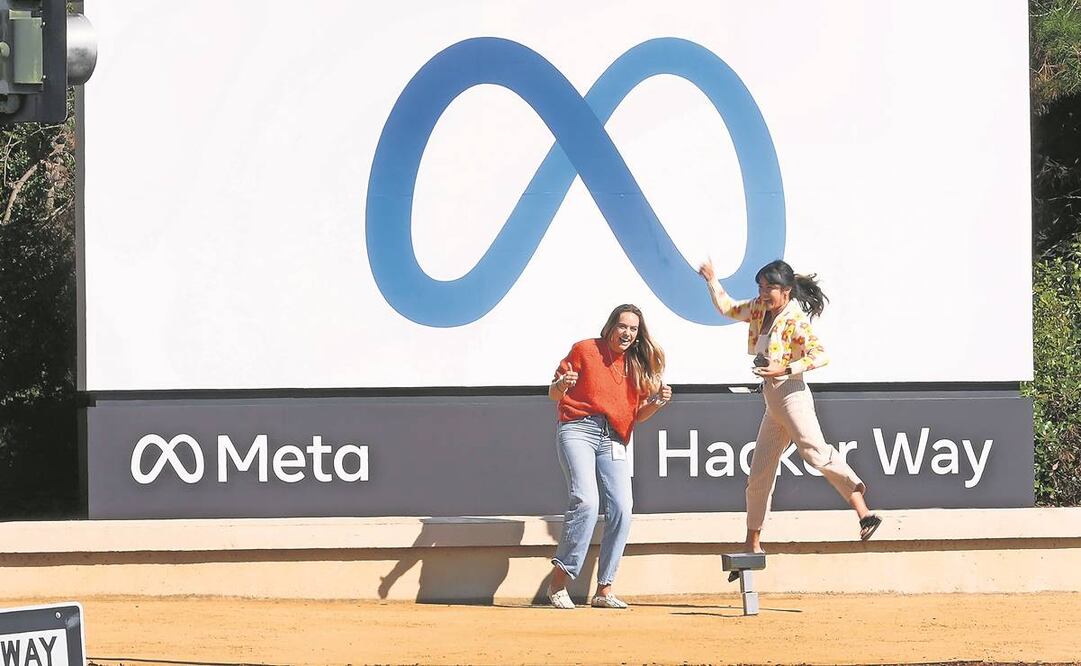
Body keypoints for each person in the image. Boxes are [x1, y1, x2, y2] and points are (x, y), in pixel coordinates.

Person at [698, 259, 881, 575]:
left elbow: (820, 355)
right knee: (759, 473)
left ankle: (863, 512)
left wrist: (784, 369)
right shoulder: (758, 310)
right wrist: (712, 280)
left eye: (770, 288)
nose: (764, 293)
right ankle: (752, 543)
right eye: (761, 287)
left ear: (785, 291)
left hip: (792, 394)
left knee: (815, 453)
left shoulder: (795, 321)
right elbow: (727, 308)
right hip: (773, 400)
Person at [545, 304, 672, 609]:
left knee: (622, 507)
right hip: (578, 428)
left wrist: (656, 403)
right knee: (586, 501)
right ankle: (559, 582)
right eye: (622, 326)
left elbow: (637, 415)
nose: (627, 333)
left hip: (614, 437)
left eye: (633, 328)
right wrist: (562, 385)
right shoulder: (585, 350)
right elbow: (553, 393)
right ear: (611, 326)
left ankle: (604, 589)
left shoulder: (636, 366)